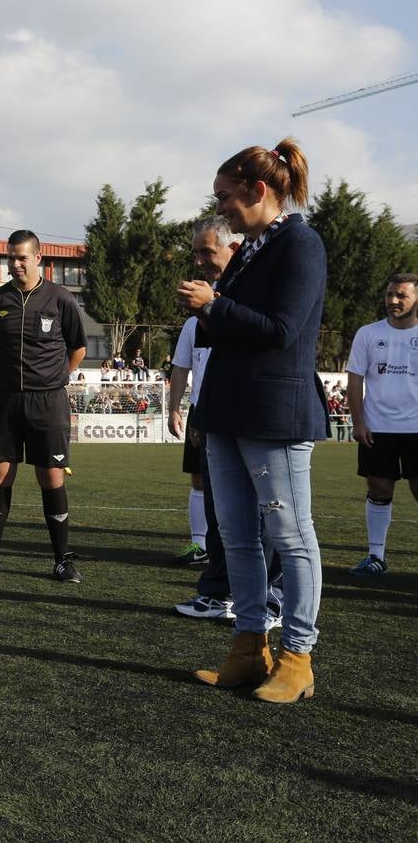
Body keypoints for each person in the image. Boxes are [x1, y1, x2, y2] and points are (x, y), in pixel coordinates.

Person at [180, 137, 328, 704]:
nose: (220, 208)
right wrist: (208, 310)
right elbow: (231, 331)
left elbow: (282, 330)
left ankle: (297, 656)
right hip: (228, 411)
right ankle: (248, 648)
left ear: (258, 191)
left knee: (291, 539)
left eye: (225, 197)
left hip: (275, 414)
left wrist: (214, 305)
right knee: (237, 538)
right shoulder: (249, 250)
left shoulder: (301, 245)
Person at [168, 219, 285, 624]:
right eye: (196, 253)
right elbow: (199, 367)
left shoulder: (251, 300)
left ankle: (272, 599)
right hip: (215, 418)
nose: (200, 262)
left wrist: (215, 307)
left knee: (267, 515)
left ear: (234, 249)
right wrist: (196, 413)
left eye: (208, 252)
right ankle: (220, 592)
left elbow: (273, 339)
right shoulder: (200, 314)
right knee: (222, 513)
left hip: (257, 418)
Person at [0, 229, 86, 582]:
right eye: (11, 258)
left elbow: (77, 348)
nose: (16, 264)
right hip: (4, 399)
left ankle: (62, 559)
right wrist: (5, 378)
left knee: (50, 477)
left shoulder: (60, 299)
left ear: (38, 257)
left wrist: (53, 379)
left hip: (48, 401)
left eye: (22, 257)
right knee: (0, 475)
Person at [344, 274, 418, 577]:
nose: (393, 301)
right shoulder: (368, 333)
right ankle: (376, 556)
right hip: (377, 427)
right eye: (389, 295)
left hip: (417, 429)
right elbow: (354, 379)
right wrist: (359, 422)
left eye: (401, 295)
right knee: (378, 487)